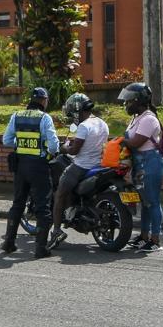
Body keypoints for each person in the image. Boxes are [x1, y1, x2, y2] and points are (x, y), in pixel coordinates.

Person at [1, 87, 60, 257]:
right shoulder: (44, 118)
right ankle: (40, 248)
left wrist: (21, 145)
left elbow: (6, 140)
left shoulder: (16, 115)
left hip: (20, 166)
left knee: (18, 203)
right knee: (43, 207)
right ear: (43, 101)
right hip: (39, 167)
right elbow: (54, 145)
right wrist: (47, 150)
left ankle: (9, 242)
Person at [48, 92, 109, 249]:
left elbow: (74, 151)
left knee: (59, 195)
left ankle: (56, 231)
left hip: (81, 166)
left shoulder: (83, 126)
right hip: (98, 165)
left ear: (78, 111)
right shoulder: (102, 123)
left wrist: (63, 148)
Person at [120, 82, 163, 252]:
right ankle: (143, 236)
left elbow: (136, 143)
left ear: (139, 101)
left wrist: (121, 141)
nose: (126, 104)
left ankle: (155, 239)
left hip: (150, 163)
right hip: (140, 163)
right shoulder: (137, 118)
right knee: (145, 203)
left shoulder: (149, 119)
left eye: (129, 101)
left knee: (152, 202)